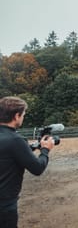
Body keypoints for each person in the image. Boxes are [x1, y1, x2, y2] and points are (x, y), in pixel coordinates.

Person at [0, 96, 55, 227]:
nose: (23, 118)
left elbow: (7, 153)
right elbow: (37, 168)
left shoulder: (10, 140)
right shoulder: (15, 140)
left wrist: (31, 147)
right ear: (17, 116)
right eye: (23, 114)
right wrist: (45, 150)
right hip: (4, 206)